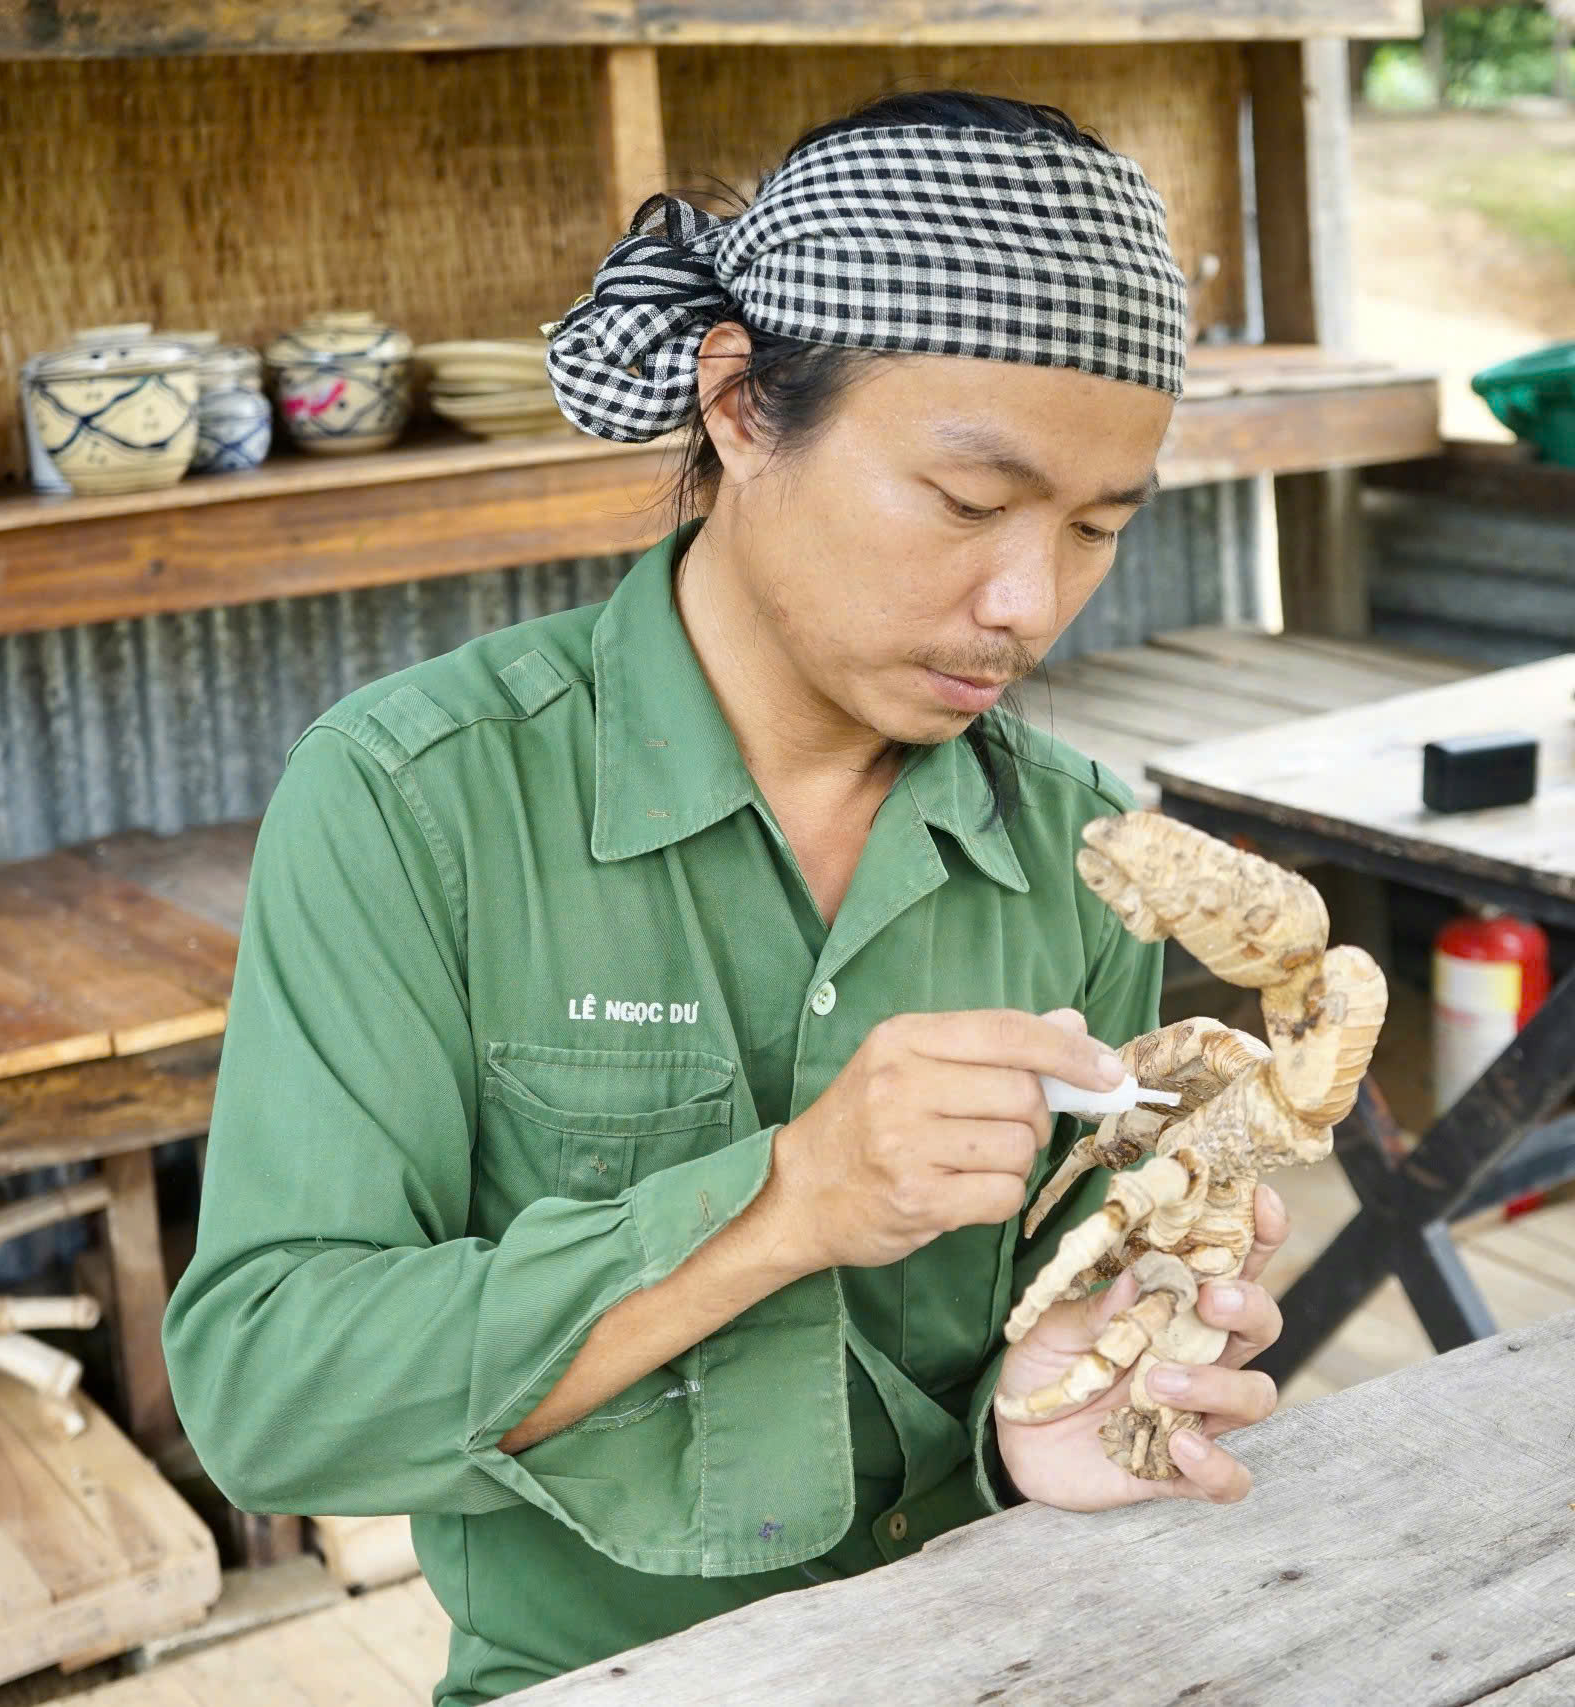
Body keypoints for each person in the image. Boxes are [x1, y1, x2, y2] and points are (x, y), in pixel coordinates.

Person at [162, 89, 1292, 1703]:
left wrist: (1052, 1402)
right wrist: (785, 1204)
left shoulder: (1083, 853)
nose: (1028, 603)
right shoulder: (419, 804)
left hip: (1019, 1645)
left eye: (1100, 527)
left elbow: (1047, 1331)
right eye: (970, 506)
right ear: (743, 408)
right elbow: (271, 1397)